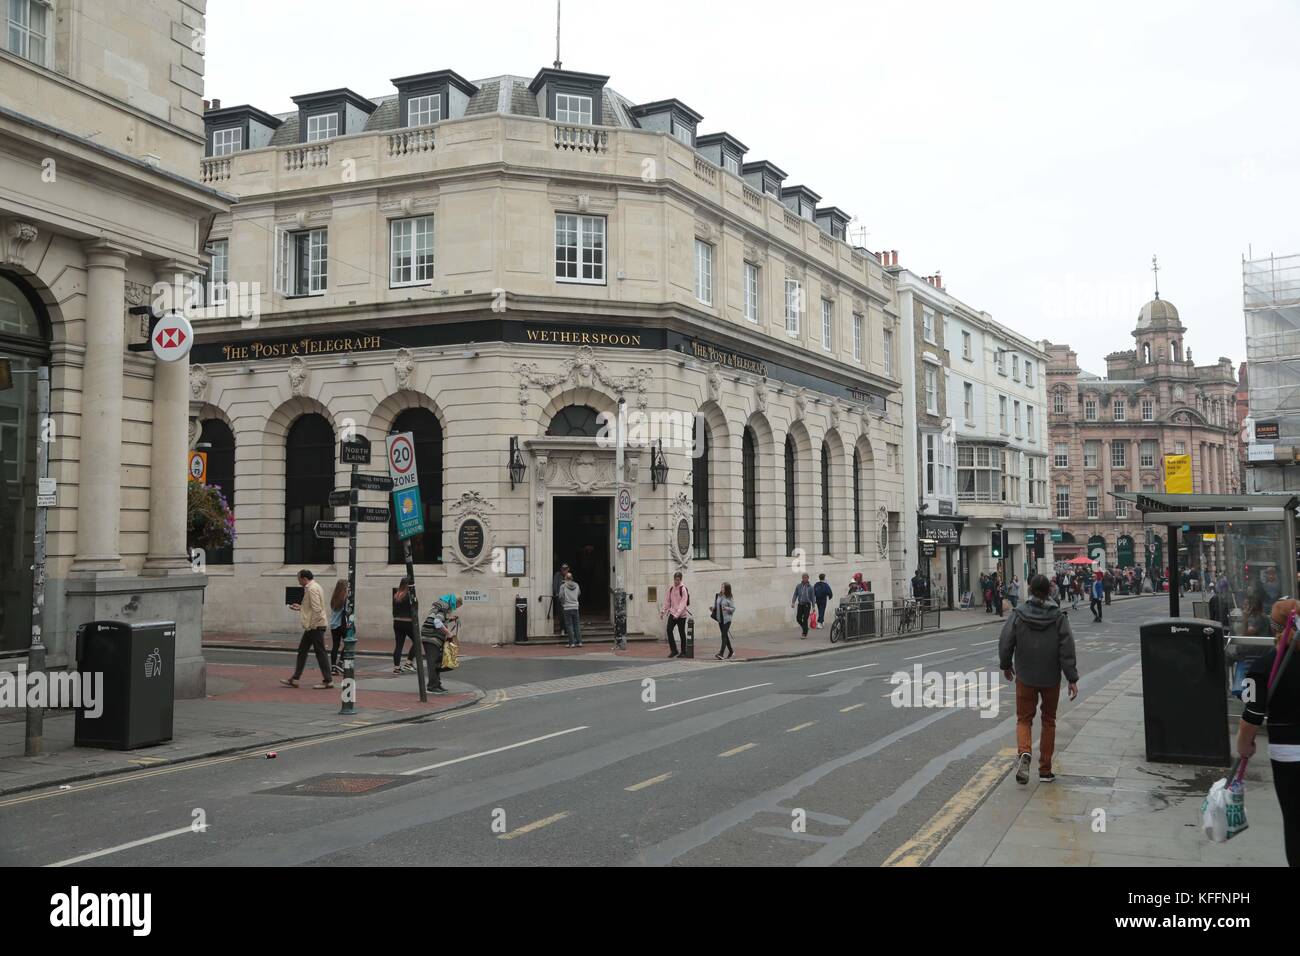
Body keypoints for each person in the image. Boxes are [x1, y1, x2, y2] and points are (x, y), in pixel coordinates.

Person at [1236, 598, 1300, 866]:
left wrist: (1244, 744)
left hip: (1287, 750)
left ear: (1274, 627)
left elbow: (1252, 714)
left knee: (1295, 821)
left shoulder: (1264, 665)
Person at [999, 574, 1080, 784]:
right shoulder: (1058, 617)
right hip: (1050, 677)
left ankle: (1025, 752)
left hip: (1025, 675)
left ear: (1030, 589)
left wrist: (1006, 665)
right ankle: (1045, 770)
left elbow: (1006, 640)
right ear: (1050, 590)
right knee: (1049, 721)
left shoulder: (1018, 614)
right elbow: (1067, 648)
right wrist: (1071, 677)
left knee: (1024, 719)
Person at [282, 569, 332, 689]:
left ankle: (328, 680)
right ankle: (295, 678)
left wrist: (312, 625)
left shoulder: (312, 589)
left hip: (315, 626)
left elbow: (317, 609)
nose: (298, 581)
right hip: (314, 626)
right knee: (302, 650)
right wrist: (301, 608)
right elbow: (311, 608)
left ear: (304, 578)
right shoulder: (315, 586)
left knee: (320, 653)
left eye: (299, 579)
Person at [420, 593, 460, 694]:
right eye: (457, 606)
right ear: (455, 602)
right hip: (431, 637)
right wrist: (449, 634)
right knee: (433, 662)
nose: (456, 608)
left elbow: (437, 618)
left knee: (437, 661)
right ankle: (432, 687)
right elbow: (437, 622)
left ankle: (437, 684)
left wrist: (450, 619)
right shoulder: (444, 607)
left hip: (431, 635)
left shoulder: (441, 605)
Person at [661, 571, 690, 657]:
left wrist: (677, 614)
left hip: (681, 615)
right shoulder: (671, 589)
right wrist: (663, 611)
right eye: (675, 580)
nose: (676, 582)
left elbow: (683, 603)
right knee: (669, 630)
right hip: (673, 613)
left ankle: (683, 652)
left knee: (682, 633)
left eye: (678, 580)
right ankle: (674, 650)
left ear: (681, 580)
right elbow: (667, 601)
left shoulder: (683, 589)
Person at [392, 576, 416, 674]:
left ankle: (396, 668)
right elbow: (414, 609)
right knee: (417, 641)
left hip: (397, 622)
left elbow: (394, 610)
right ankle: (409, 662)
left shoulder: (396, 595)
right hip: (408, 622)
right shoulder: (410, 595)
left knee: (398, 646)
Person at [327, 579, 348, 676]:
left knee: (335, 646)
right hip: (341, 624)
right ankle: (340, 663)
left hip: (333, 625)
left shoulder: (333, 598)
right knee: (348, 644)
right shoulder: (345, 598)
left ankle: (333, 667)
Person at [559, 571, 582, 647]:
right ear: (572, 578)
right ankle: (579, 642)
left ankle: (571, 643)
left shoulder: (563, 586)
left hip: (567, 607)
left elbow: (561, 596)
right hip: (575, 607)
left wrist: (563, 603)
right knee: (576, 624)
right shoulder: (577, 585)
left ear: (565, 578)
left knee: (569, 625)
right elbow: (579, 594)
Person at [713, 582, 735, 660]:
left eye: (723, 588)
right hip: (720, 619)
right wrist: (713, 609)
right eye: (721, 587)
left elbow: (733, 609)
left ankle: (721, 653)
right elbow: (716, 605)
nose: (722, 589)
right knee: (725, 635)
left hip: (727, 620)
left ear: (727, 589)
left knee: (723, 635)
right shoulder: (718, 596)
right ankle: (731, 651)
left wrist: (726, 608)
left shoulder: (729, 597)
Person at [791, 573, 814, 639]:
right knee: (798, 618)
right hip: (800, 604)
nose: (805, 579)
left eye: (806, 578)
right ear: (802, 578)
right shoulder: (798, 586)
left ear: (808, 578)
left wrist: (813, 606)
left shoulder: (811, 587)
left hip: (807, 604)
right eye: (803, 578)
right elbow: (795, 594)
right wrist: (793, 602)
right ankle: (805, 627)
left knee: (805, 619)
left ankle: (804, 633)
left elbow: (812, 597)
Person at [550, 563, 569, 635]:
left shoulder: (569, 576)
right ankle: (563, 629)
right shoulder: (557, 575)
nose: (564, 570)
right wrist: (556, 593)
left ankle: (567, 629)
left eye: (566, 569)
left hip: (568, 599)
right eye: (563, 569)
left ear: (568, 569)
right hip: (560, 599)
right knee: (561, 615)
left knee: (567, 615)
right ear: (561, 569)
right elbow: (555, 585)